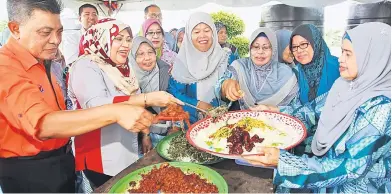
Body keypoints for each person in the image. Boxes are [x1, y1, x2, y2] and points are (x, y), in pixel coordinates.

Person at [0, 1, 155, 192]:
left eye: (59, 32)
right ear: (15, 29)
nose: (56, 40)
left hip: (62, 160)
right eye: (45, 32)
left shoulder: (45, 61)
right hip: (30, 171)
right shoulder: (5, 68)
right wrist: (118, 111)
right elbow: (43, 124)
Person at [243, 22, 391, 194]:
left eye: (348, 54)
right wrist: (276, 112)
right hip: (323, 168)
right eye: (342, 51)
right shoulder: (345, 85)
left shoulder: (382, 108)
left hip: (355, 187)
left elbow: (351, 167)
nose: (341, 58)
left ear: (372, 57)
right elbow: (313, 109)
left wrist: (283, 162)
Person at [68, 18, 183, 189]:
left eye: (128, 39)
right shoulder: (86, 65)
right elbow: (96, 105)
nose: (125, 45)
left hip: (126, 149)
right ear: (102, 38)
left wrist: (145, 131)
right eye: (118, 38)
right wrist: (148, 98)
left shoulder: (123, 68)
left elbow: (135, 102)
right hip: (99, 155)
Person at [253, 24, 340, 155]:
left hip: (336, 143)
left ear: (315, 42)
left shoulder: (339, 68)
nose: (299, 50)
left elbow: (330, 109)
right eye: (294, 47)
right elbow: (298, 107)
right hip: (306, 145)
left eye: (304, 44)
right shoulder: (297, 73)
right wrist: (273, 110)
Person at [168, 12, 229, 124]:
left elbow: (231, 89)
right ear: (189, 36)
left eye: (206, 30)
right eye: (196, 32)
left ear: (213, 33)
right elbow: (175, 94)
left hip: (223, 123)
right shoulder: (182, 62)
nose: (202, 36)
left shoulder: (226, 59)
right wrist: (197, 104)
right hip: (191, 125)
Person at [218, 28, 298, 110]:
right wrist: (225, 86)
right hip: (240, 121)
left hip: (273, 121)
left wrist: (277, 109)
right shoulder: (239, 66)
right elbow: (221, 87)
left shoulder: (286, 73)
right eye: (256, 47)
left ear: (273, 50)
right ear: (250, 48)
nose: (260, 52)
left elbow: (297, 106)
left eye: (266, 47)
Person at [130, 36, 174, 147]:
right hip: (139, 135)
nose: (147, 58)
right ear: (132, 57)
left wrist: (174, 127)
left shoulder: (166, 72)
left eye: (150, 52)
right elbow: (133, 112)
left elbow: (175, 103)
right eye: (140, 54)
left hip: (170, 131)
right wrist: (146, 135)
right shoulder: (128, 79)